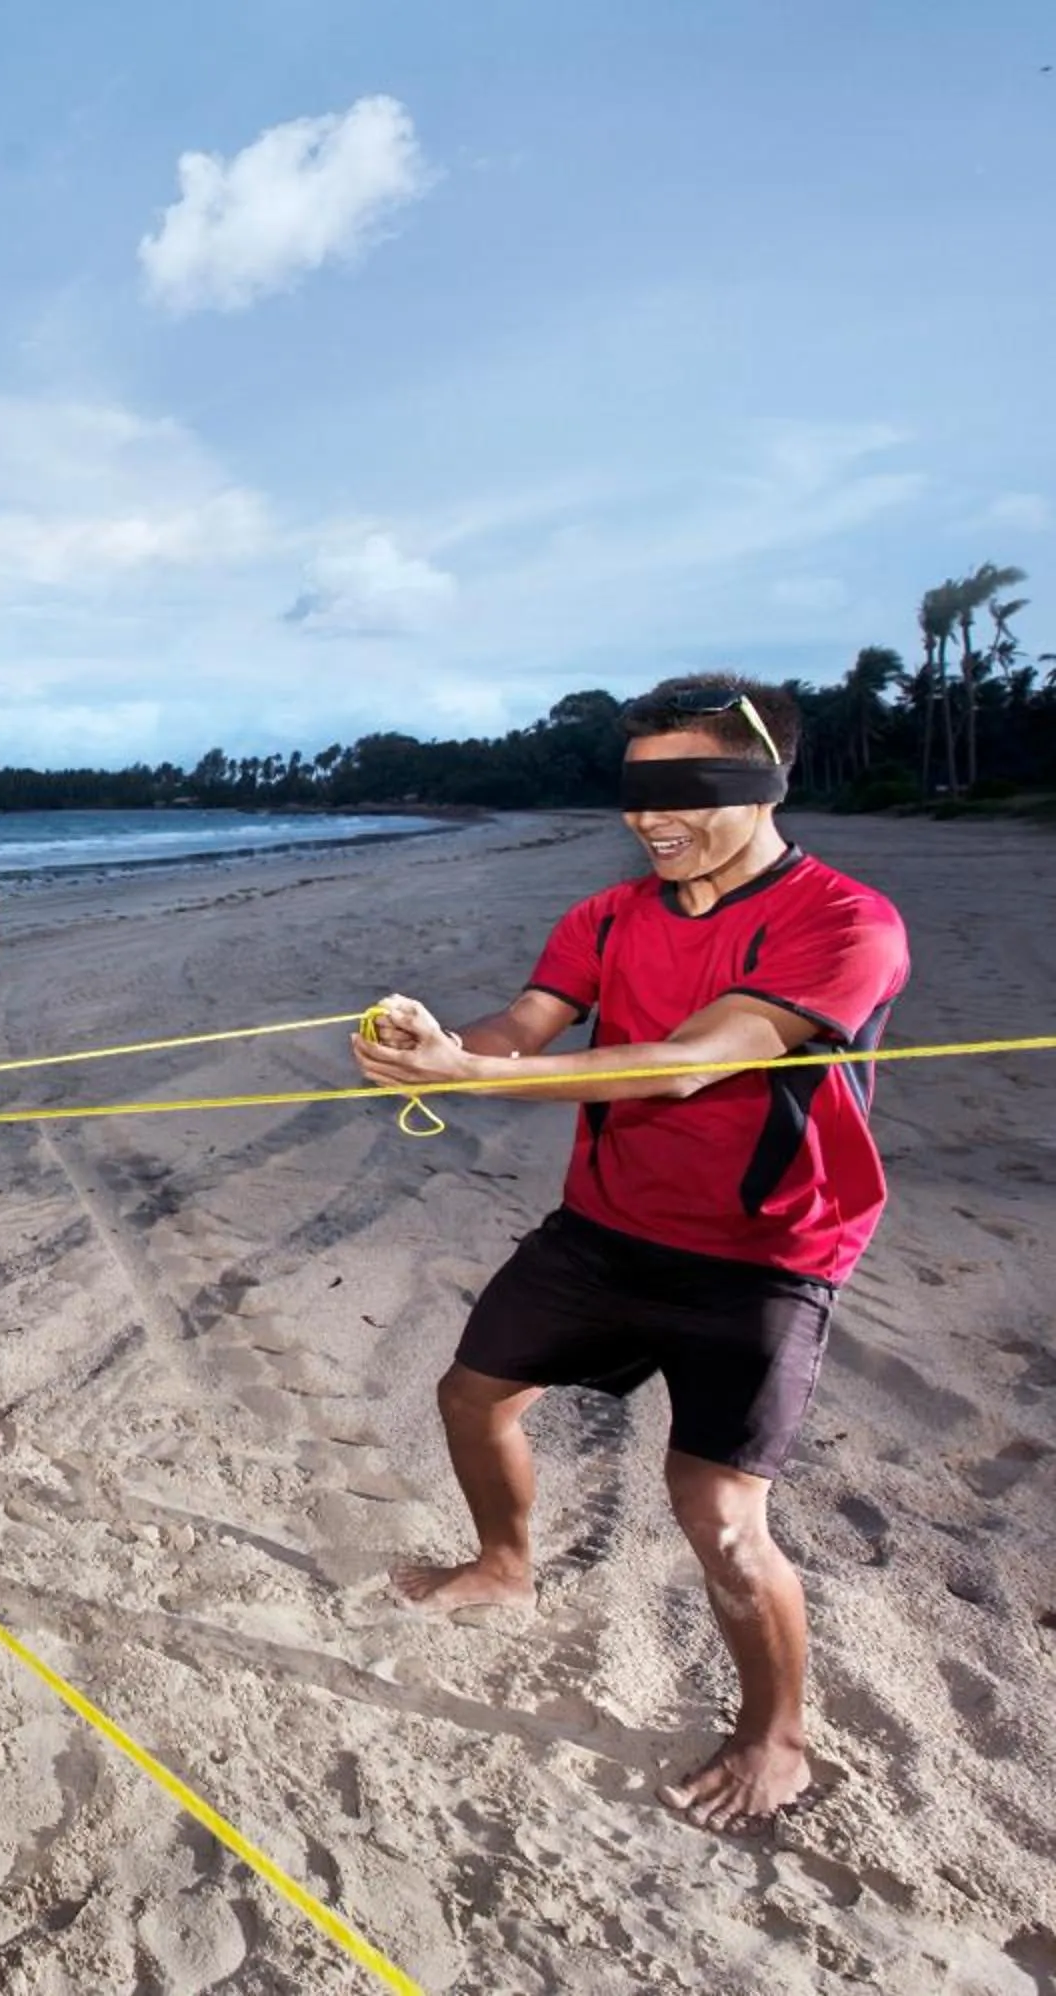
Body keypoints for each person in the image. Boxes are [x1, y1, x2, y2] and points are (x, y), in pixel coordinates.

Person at [354, 674, 908, 1835]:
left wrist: (475, 1077)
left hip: (763, 1254)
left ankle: (778, 1738)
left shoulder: (846, 922)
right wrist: (446, 1045)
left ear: (767, 786)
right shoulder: (607, 918)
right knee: (472, 1396)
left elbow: (696, 1059)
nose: (651, 817)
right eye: (638, 791)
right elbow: (527, 1023)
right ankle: (505, 1566)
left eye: (688, 789)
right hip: (605, 1227)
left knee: (718, 1513)